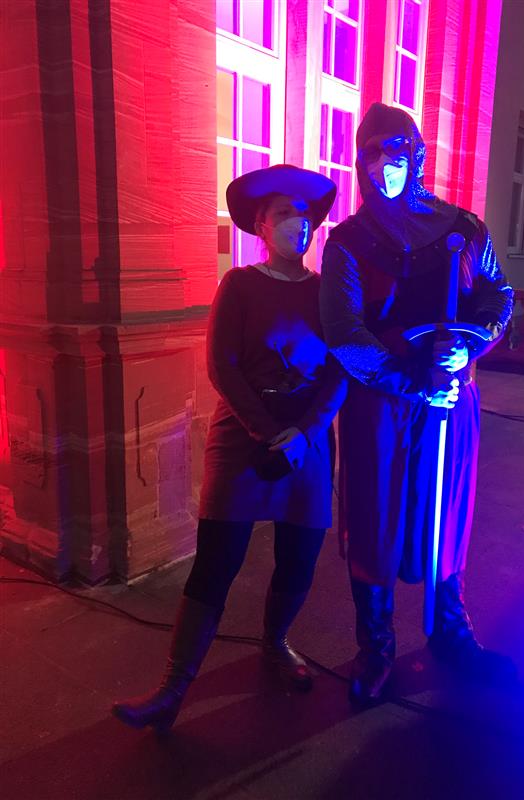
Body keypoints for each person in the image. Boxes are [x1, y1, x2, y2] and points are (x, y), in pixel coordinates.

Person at [113, 164, 346, 732]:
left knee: (299, 556)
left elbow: (341, 368)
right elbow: (222, 365)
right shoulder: (239, 284)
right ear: (261, 225)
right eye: (285, 214)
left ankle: (276, 643)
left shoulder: (327, 293)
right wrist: (267, 432)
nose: (299, 224)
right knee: (218, 560)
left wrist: (305, 434)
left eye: (305, 216)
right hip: (245, 433)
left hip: (308, 438)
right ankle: (173, 689)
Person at [319, 102, 516, 704]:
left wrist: (471, 344)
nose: (386, 166)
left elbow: (497, 294)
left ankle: (450, 632)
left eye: (397, 151)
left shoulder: (464, 231)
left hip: (449, 401)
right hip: (380, 405)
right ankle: (375, 644)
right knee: (374, 516)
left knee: (445, 514)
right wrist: (412, 381)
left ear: (418, 154)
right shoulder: (348, 243)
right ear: (360, 162)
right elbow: (344, 334)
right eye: (373, 154)